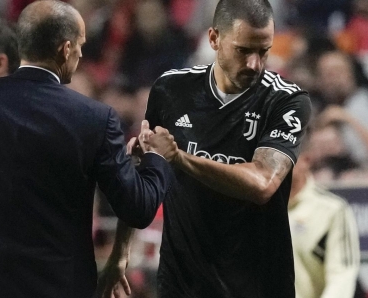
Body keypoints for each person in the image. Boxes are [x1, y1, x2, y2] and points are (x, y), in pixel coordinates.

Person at [0, 1, 178, 297]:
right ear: (65, 49)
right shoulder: (94, 119)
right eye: (80, 45)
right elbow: (138, 207)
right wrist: (157, 159)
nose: (82, 53)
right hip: (58, 286)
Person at [97, 0, 312, 297]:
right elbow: (143, 173)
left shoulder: (286, 101)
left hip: (257, 285)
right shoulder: (170, 90)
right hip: (181, 282)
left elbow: (263, 183)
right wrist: (121, 254)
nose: (254, 64)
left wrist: (180, 158)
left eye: (264, 50)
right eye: (243, 50)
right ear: (214, 38)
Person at [288, 135, 360, 298]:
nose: (276, 164)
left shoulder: (332, 211)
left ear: (305, 160)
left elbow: (341, 276)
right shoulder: (255, 207)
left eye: (285, 156)